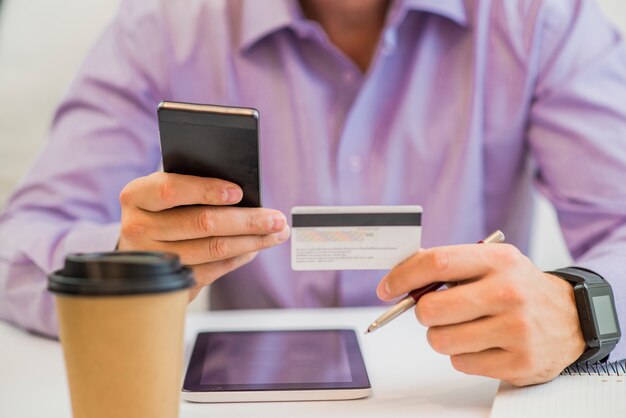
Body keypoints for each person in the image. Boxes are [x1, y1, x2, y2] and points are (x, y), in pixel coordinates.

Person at [1, 0, 625, 387]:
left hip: (463, 390)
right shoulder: (164, 26)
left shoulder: (542, 18)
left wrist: (580, 308)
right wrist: (123, 265)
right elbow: (16, 253)